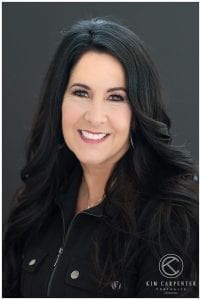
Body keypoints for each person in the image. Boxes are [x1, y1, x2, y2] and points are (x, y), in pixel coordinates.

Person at [3, 18, 198, 298]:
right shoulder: (37, 205)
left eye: (116, 97)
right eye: (81, 93)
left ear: (137, 114)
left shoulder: (171, 220)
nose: (95, 117)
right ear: (58, 102)